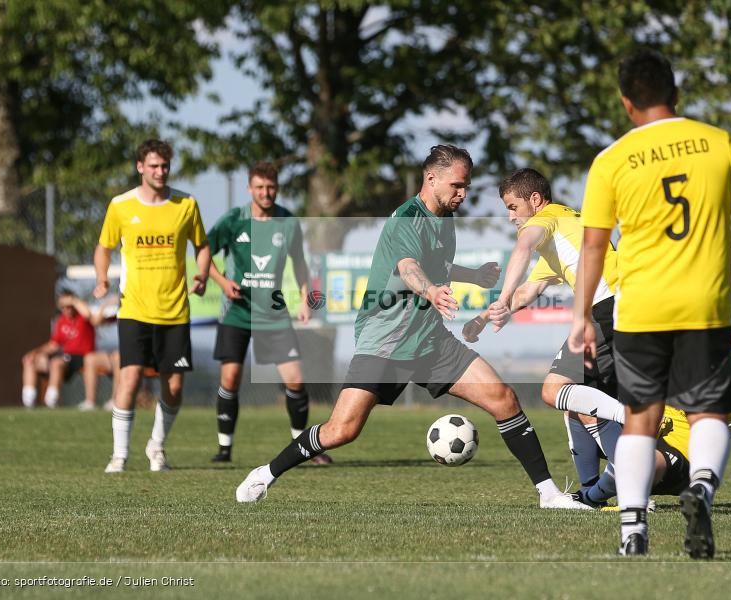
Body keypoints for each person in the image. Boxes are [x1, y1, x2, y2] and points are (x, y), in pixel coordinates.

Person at [235, 145, 591, 510]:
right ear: (431, 178)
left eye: (466, 186)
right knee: (342, 430)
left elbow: (437, 263)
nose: (462, 194)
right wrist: (430, 290)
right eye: (457, 185)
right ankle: (265, 473)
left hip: (429, 340)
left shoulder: (445, 218)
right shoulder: (407, 216)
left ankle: (549, 494)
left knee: (504, 398)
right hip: (385, 341)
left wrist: (474, 277)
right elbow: (409, 268)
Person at [568, 49, 731, 557]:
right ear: (676, 94)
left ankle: (632, 530)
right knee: (708, 414)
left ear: (626, 102)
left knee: (640, 417)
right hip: (704, 304)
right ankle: (699, 488)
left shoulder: (611, 160)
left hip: (640, 309)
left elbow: (592, 246)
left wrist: (581, 316)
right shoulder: (720, 144)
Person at [461, 167, 623, 491]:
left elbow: (523, 247)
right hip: (627, 308)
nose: (510, 218)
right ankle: (594, 491)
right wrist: (482, 318)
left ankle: (630, 421)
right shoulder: (564, 228)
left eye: (512, 207)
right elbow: (527, 291)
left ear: (534, 200)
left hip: (610, 308)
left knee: (552, 390)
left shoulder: (544, 221)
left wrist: (503, 295)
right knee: (574, 404)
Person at [93, 139, 211, 473]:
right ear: (140, 167)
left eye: (165, 166)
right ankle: (119, 455)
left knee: (173, 387)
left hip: (175, 312)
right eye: (154, 166)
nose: (160, 172)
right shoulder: (121, 205)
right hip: (134, 310)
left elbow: (202, 246)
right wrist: (102, 278)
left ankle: (156, 447)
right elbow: (104, 247)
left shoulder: (186, 205)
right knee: (128, 379)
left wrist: (202, 274)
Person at [570, 332, 731, 512]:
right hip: (648, 437)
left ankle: (590, 498)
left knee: (640, 459)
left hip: (684, 461)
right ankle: (591, 491)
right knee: (579, 409)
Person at [207, 161, 329, 464]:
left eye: (271, 187)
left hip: (273, 313)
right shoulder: (234, 220)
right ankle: (225, 449)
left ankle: (304, 449)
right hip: (236, 311)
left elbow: (299, 263)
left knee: (296, 380)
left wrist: (304, 299)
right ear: (250, 188)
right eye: (259, 187)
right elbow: (203, 253)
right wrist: (222, 281)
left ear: (277, 187)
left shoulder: (287, 222)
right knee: (231, 377)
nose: (266, 192)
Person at [21, 290, 96, 408]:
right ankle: (28, 401)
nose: (67, 310)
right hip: (64, 357)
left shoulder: (82, 317)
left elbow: (88, 314)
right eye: (64, 307)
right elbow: (54, 345)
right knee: (30, 360)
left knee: (56, 363)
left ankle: (51, 401)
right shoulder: (61, 321)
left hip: (81, 357)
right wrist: (35, 353)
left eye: (69, 306)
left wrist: (73, 300)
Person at [77, 296, 122, 411]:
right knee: (90, 359)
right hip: (107, 355)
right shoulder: (102, 314)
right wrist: (105, 307)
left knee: (118, 357)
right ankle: (90, 401)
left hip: (122, 354)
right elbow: (95, 321)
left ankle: (115, 400)